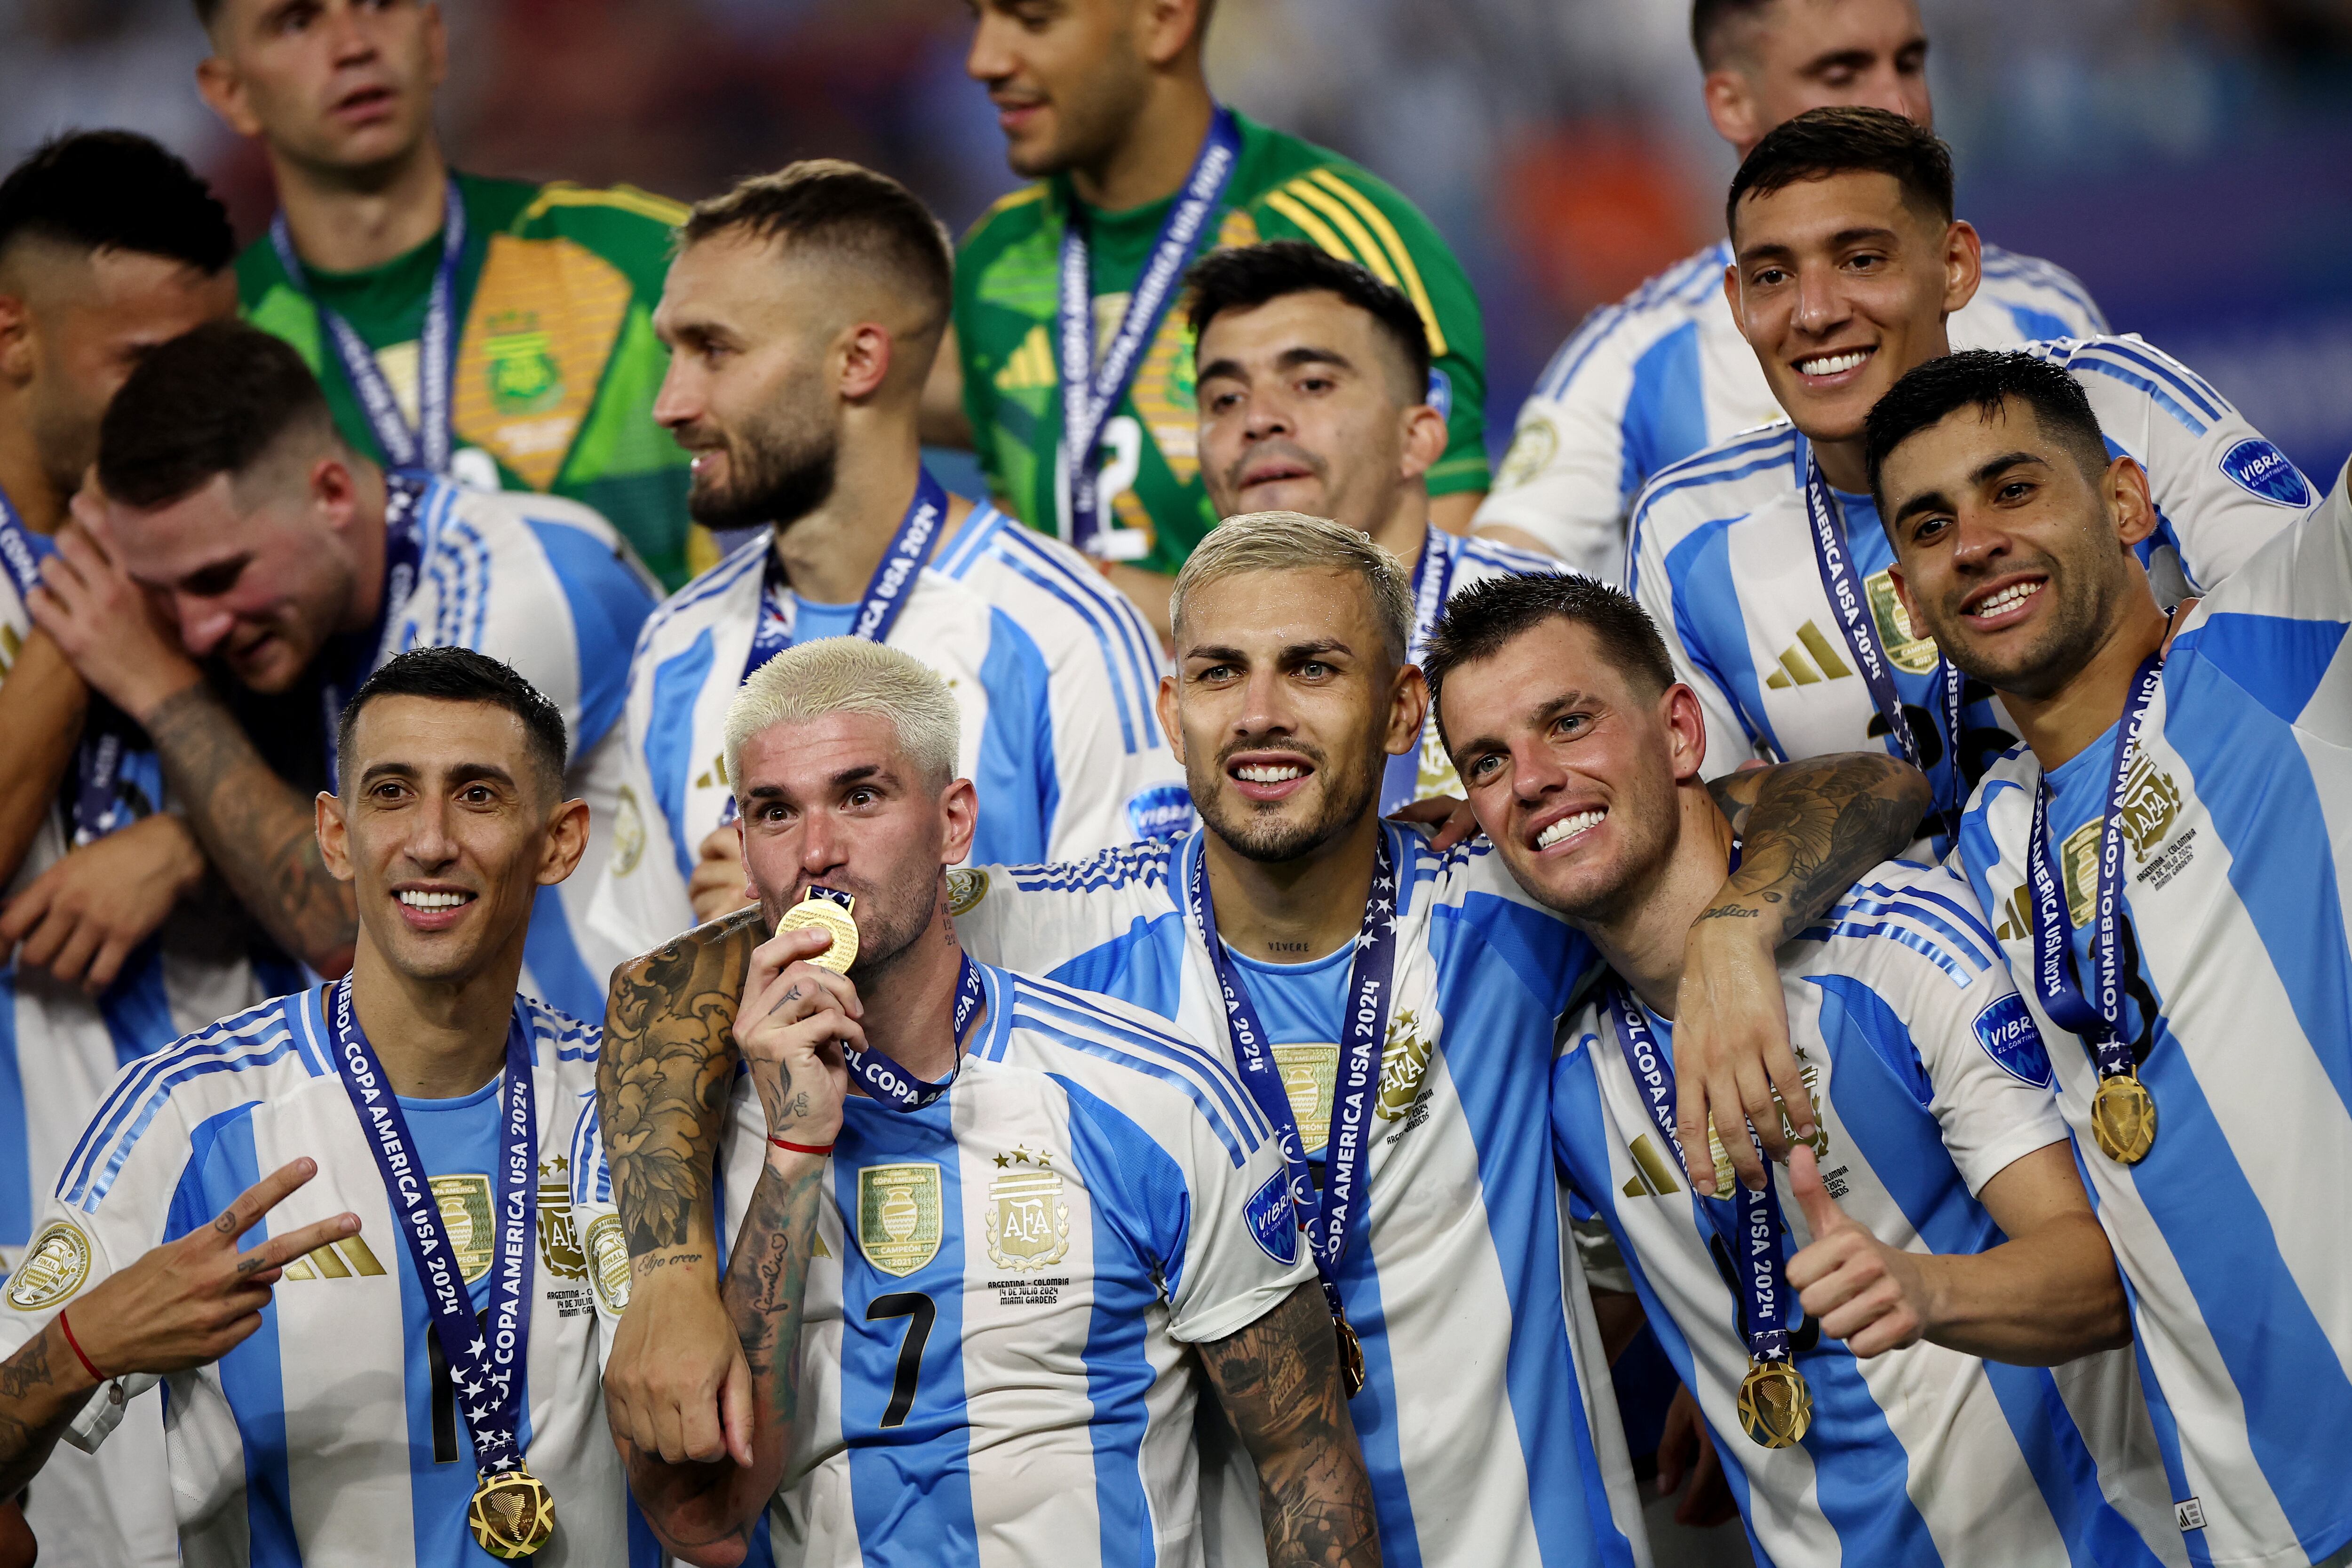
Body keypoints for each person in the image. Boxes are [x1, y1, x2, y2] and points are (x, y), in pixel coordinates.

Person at [586, 513, 1930, 1568]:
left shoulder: (1510, 891)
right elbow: (668, 987)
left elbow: (1862, 783)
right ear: (1171, 715)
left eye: (1314, 667)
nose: (1264, 712)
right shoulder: (1049, 925)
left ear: (1406, 716)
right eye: (1221, 672)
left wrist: (1735, 932)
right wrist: (665, 1272)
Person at [1424, 571, 2181, 1566]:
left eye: (1567, 722)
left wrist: (1924, 1289)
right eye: (1487, 760)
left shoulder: (1896, 947)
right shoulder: (1562, 1068)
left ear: (1682, 733)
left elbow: (2102, 1282)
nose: (1529, 778)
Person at [572, 638, 1373, 1567]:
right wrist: (793, 1150)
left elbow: (1307, 1468)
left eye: (861, 795)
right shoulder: (653, 1147)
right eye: (775, 813)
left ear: (953, 822)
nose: (817, 852)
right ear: (745, 853)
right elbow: (702, 1519)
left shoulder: (1155, 1095)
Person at [1863, 349, 2352, 1568]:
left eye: (2014, 488)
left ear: (2130, 504)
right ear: (1911, 601)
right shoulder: (1995, 835)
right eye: (1932, 525)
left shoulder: (2281, 644)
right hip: (2250, 1531)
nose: (1974, 541)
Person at [0, 646, 634, 1561]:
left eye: (479, 794)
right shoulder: (190, 1115)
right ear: (335, 834)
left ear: (560, 840)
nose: (429, 840)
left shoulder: (633, 1102)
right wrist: (86, 1340)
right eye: (391, 792)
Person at [1623, 108, 2308, 873]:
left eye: (1860, 260)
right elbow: (1687, 837)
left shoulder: (2108, 400)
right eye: (1773, 276)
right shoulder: (1687, 528)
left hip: (2200, 870)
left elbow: (2311, 632)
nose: (1814, 313)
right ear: (1737, 301)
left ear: (1953, 266)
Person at [588, 161, 1185, 966]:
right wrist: (726, 950)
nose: (672, 404)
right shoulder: (678, 645)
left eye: (715, 351)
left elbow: (1141, 976)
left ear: (858, 361)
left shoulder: (1061, 634)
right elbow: (636, 1003)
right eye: (674, 352)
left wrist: (865, 918)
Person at [29, 319, 656, 1026]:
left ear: (330, 493)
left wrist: (159, 688)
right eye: (164, 594)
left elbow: (350, 924)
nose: (196, 629)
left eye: (219, 576)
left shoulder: (524, 579)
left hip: (604, 1096)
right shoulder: (293, 625)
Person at [1476, 0, 2106, 581]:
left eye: (1910, 63)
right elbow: (1490, 596)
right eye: (1841, 73)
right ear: (1733, 105)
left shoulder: (2042, 312)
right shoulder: (1634, 359)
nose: (1901, 104)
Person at [0, 130, 249, 1568]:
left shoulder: (217, 543)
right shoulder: (121, 550)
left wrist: (180, 841)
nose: (186, 404)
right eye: (145, 359)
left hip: (218, 1214)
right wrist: (82, 589)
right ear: (13, 335)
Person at [950, 0, 1490, 643]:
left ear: (1165, 20)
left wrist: (1120, 600)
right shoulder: (992, 262)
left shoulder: (1343, 233)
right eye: (976, 16)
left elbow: (1434, 595)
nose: (984, 59)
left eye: (1034, 20)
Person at [192, 0, 707, 588]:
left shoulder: (650, 264)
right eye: (298, 21)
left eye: (380, 5)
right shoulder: (209, 346)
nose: (354, 44)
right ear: (231, 93)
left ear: (434, 39)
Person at [1186, 240, 1557, 814]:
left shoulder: (1552, 629)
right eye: (1225, 398)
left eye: (1311, 384)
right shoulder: (1172, 663)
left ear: (1416, 439)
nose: (1258, 420)